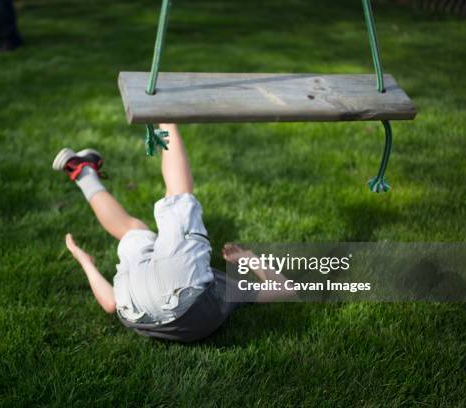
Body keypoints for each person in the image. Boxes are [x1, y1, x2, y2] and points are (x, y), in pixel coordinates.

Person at [52, 124, 292, 342]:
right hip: (135, 311)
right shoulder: (233, 291)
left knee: (179, 198)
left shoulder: (225, 289)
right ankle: (83, 173)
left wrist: (247, 257)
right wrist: (85, 262)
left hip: (181, 294)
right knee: (132, 230)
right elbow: (110, 303)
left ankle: (167, 121)